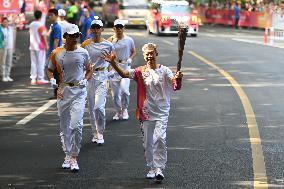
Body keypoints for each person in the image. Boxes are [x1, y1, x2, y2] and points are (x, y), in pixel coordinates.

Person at [103, 43, 183, 183]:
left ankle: (159, 168)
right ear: (144, 56)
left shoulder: (165, 71)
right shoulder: (140, 71)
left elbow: (175, 85)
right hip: (145, 112)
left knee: (159, 138)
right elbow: (123, 74)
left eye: (152, 53)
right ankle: (151, 168)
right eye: (147, 54)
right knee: (148, 143)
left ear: (156, 54)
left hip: (162, 111)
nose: (149, 56)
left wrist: (178, 78)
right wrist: (113, 63)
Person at [46, 24, 92, 172]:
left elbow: (89, 69)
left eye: (76, 35)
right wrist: (53, 83)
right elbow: (49, 70)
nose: (74, 38)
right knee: (65, 125)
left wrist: (85, 79)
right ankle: (67, 154)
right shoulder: (56, 53)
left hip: (79, 90)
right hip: (63, 91)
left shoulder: (83, 52)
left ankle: (74, 156)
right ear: (65, 37)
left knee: (76, 125)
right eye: (71, 36)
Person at [81, 19, 114, 145]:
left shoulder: (108, 45)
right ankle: (95, 133)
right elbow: (81, 61)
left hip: (102, 76)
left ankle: (100, 132)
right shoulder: (85, 44)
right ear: (91, 29)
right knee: (91, 108)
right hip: (90, 77)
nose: (95, 30)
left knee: (98, 107)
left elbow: (112, 60)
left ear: (102, 29)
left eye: (98, 27)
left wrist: (110, 71)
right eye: (93, 27)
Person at [108, 19, 136, 120]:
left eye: (121, 27)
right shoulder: (110, 40)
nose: (119, 29)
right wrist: (109, 69)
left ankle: (124, 110)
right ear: (114, 28)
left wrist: (130, 59)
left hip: (125, 67)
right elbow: (108, 55)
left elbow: (134, 52)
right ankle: (118, 111)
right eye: (117, 27)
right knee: (115, 94)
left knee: (124, 91)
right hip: (115, 67)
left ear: (123, 28)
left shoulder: (129, 40)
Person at [29, 10, 49, 85]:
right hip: (40, 46)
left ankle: (33, 79)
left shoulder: (31, 24)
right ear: (41, 16)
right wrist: (46, 45)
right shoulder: (40, 25)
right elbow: (43, 36)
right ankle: (40, 78)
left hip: (32, 46)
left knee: (33, 63)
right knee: (41, 62)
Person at [48, 8, 62, 99]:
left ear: (56, 16)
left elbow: (56, 41)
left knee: (56, 73)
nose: (50, 17)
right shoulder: (54, 26)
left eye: (51, 15)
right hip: (55, 53)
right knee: (55, 73)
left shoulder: (57, 27)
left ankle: (57, 93)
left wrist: (54, 54)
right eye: (49, 15)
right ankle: (56, 92)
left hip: (56, 54)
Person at [0, 17, 16, 82]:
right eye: (4, 22)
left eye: (6, 22)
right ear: (2, 22)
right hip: (3, 47)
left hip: (10, 47)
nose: (5, 23)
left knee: (9, 62)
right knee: (3, 62)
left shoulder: (10, 28)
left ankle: (7, 75)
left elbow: (14, 24)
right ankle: (3, 76)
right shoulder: (1, 29)